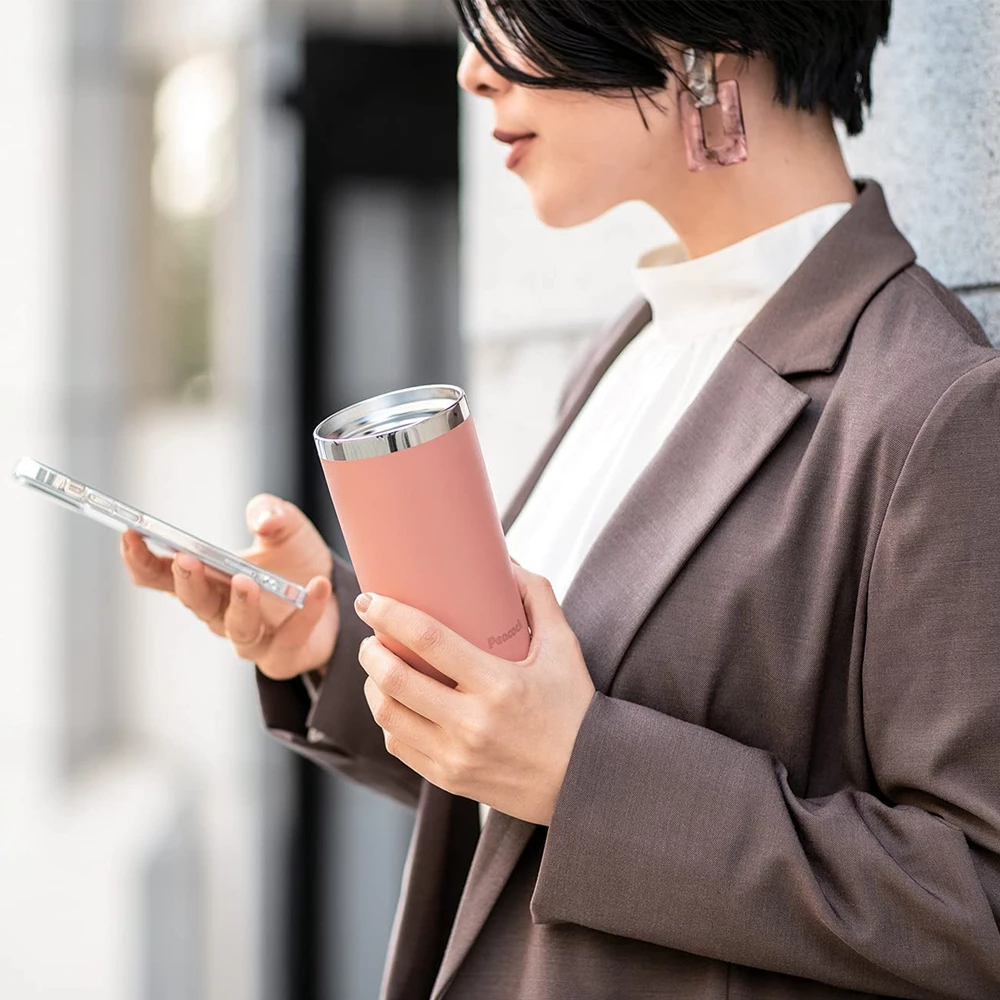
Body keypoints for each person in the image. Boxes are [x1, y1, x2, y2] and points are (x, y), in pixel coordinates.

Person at [121, 1, 1000, 997]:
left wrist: (585, 768)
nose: (473, 73)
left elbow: (975, 907)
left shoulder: (932, 403)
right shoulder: (628, 348)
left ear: (705, 34)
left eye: (517, 17)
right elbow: (534, 807)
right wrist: (328, 641)